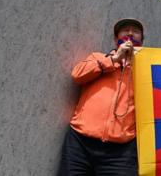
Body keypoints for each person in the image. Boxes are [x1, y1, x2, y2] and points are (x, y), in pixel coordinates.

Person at [58, 18, 144, 176]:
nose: (130, 33)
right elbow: (77, 75)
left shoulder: (145, 72)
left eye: (135, 31)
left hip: (121, 153)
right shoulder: (98, 57)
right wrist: (113, 60)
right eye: (125, 30)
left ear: (142, 41)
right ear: (115, 39)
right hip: (80, 143)